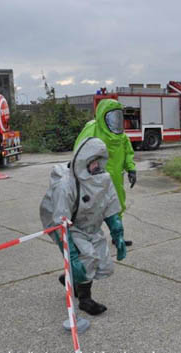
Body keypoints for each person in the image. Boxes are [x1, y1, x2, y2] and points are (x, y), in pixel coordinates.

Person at [40, 137, 127, 315]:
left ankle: (70, 278)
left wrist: (117, 234)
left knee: (104, 265)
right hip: (67, 225)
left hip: (90, 225)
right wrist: (71, 255)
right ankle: (85, 300)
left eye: (99, 162)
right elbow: (60, 221)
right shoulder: (65, 185)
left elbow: (111, 206)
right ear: (83, 161)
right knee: (86, 257)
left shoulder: (103, 180)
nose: (97, 166)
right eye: (93, 162)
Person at [73, 99, 136, 246]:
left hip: (115, 178)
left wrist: (131, 168)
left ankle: (117, 237)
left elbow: (128, 153)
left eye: (118, 116)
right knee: (92, 210)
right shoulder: (92, 129)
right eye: (112, 117)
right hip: (94, 180)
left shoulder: (121, 137)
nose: (116, 121)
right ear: (103, 116)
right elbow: (80, 151)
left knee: (117, 206)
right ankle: (87, 240)